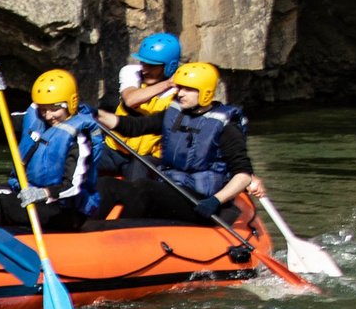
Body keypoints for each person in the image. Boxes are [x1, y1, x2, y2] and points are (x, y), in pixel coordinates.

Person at [101, 62, 263, 220]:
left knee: (143, 189)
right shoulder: (175, 114)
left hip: (202, 199)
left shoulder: (226, 126)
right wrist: (96, 115)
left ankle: (122, 235)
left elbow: (243, 174)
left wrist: (215, 200)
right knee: (108, 185)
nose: (180, 93)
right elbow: (133, 126)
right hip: (173, 188)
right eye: (179, 88)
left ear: (205, 92)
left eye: (188, 89)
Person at [0, 69, 98, 232]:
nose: (48, 116)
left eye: (54, 109)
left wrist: (43, 193)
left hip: (65, 210)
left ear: (71, 103)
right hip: (31, 194)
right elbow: (3, 122)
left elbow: (74, 186)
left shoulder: (80, 137)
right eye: (43, 109)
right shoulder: (37, 119)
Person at [109, 30, 184, 164]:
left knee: (139, 169)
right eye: (143, 63)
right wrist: (168, 84)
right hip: (114, 149)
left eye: (152, 66)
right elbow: (131, 99)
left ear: (169, 67)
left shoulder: (182, 90)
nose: (145, 69)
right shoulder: (131, 72)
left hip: (147, 157)